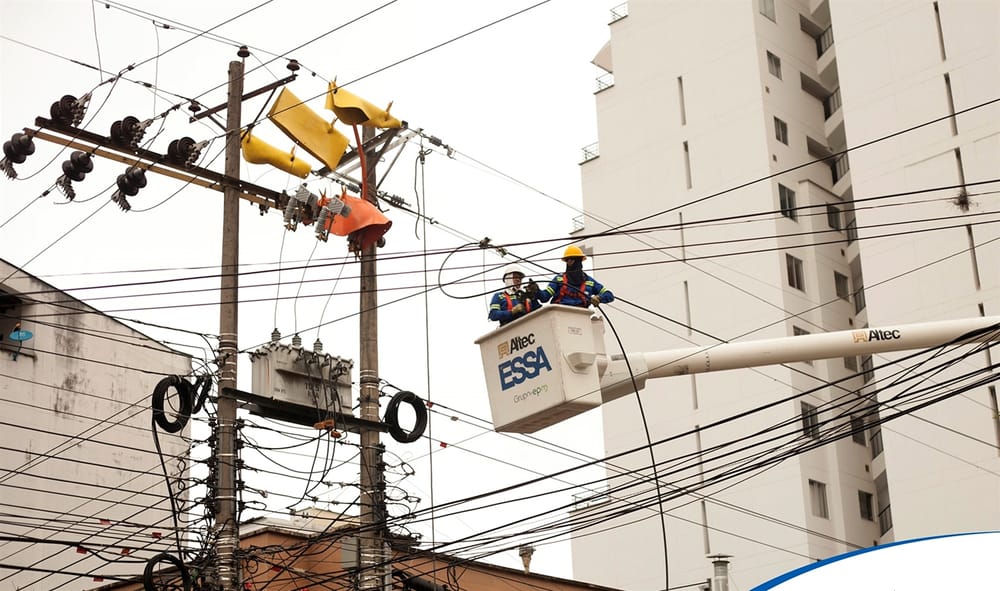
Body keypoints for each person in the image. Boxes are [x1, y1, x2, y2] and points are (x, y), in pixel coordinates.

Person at [538, 245, 614, 308]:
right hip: (560, 314)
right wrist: (536, 291)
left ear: (579, 261)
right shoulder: (559, 279)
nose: (569, 262)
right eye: (568, 260)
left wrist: (599, 298)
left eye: (572, 260)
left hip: (580, 316)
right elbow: (544, 297)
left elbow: (609, 295)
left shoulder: (589, 282)